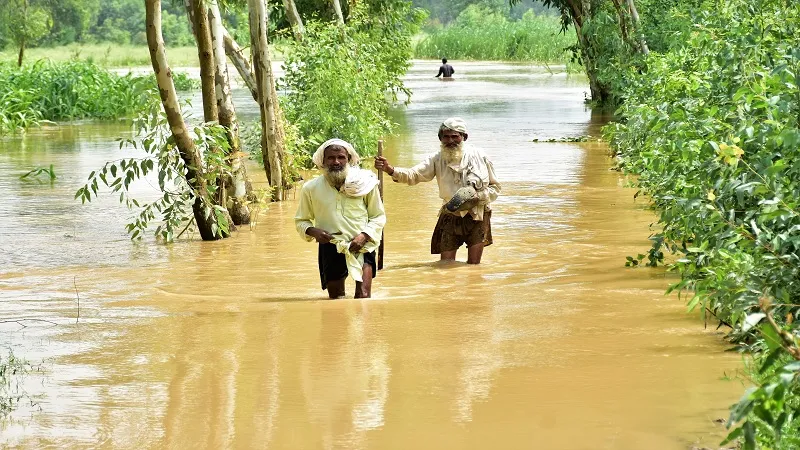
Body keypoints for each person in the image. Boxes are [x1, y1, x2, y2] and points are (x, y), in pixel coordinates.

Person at [374, 118, 500, 264]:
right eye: (446, 136)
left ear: (464, 137)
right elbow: (414, 175)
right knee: (446, 264)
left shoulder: (479, 156)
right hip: (450, 213)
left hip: (478, 215)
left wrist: (477, 196)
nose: (450, 140)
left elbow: (495, 188)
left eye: (455, 136)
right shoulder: (436, 159)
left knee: (473, 266)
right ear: (440, 138)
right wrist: (390, 170)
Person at [295, 139, 386, 299]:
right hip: (331, 245)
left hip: (362, 245)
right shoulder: (311, 188)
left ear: (349, 159)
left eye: (341, 157)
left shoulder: (365, 183)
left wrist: (363, 236)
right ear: (323, 161)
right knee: (336, 299)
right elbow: (301, 221)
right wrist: (313, 231)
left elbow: (378, 216)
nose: (336, 162)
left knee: (363, 297)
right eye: (330, 158)